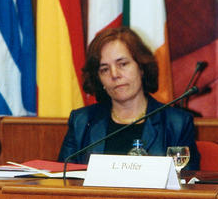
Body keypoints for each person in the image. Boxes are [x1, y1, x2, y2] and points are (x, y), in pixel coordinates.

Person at [58, 26, 200, 169]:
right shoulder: (81, 122)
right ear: (99, 78)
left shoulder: (176, 123)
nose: (114, 74)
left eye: (123, 64)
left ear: (141, 67)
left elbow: (186, 184)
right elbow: (62, 181)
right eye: (105, 69)